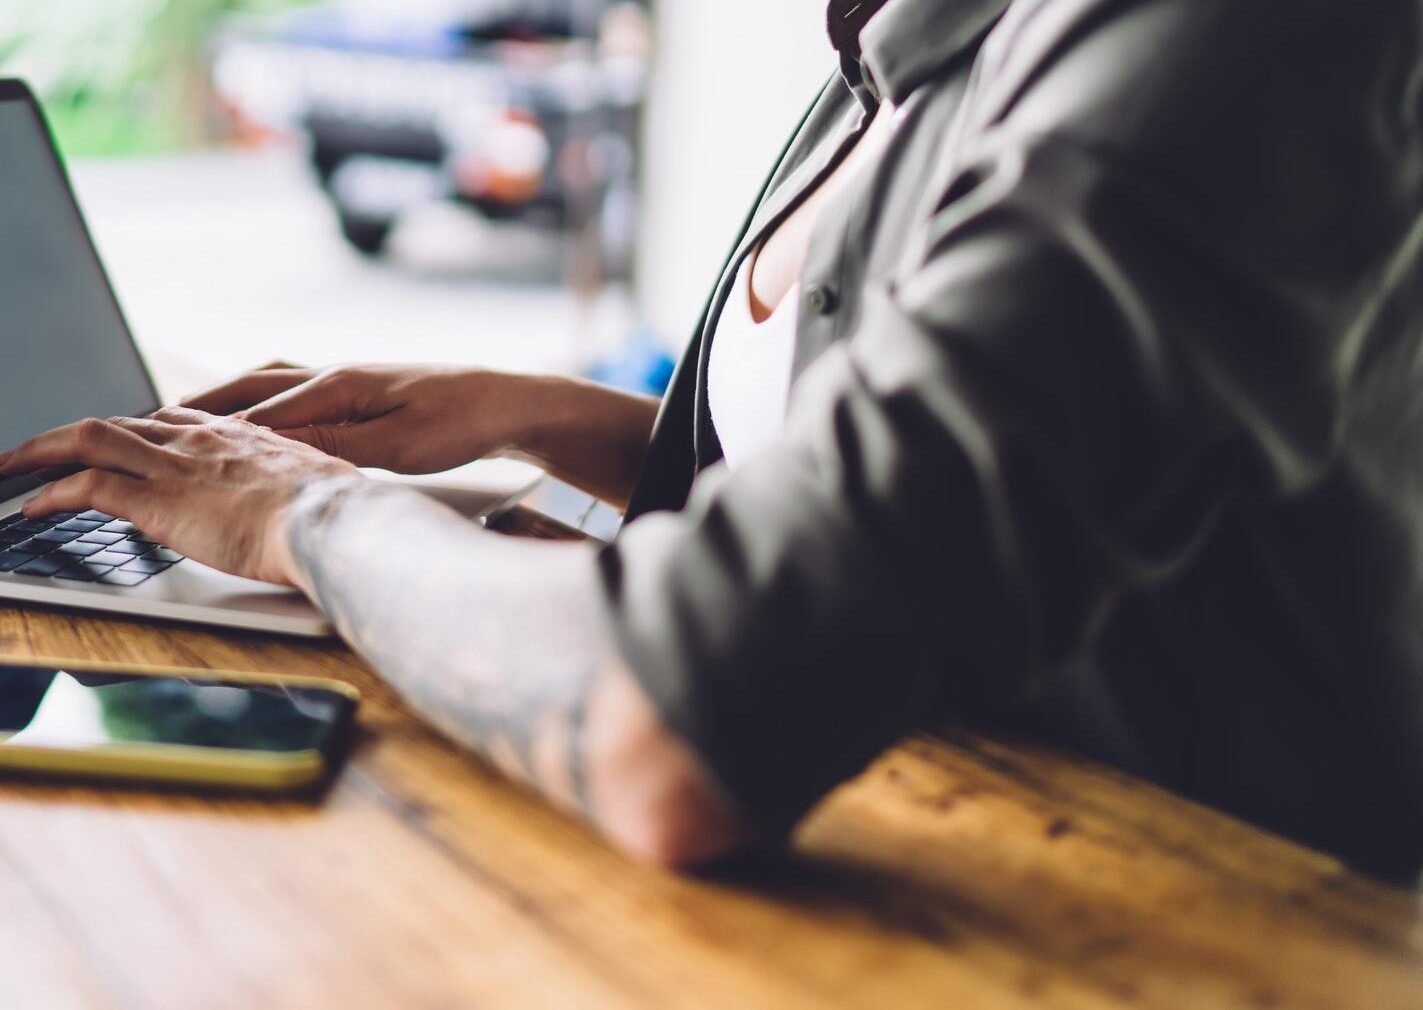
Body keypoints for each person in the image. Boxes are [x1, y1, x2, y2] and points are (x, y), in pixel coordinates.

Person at [4, 0, 1423, 882]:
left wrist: (307, 521)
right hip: (932, 830)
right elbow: (891, 480)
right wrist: (529, 410)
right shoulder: (900, 41)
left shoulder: (1232, 34)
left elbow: (681, 721)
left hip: (1191, 925)